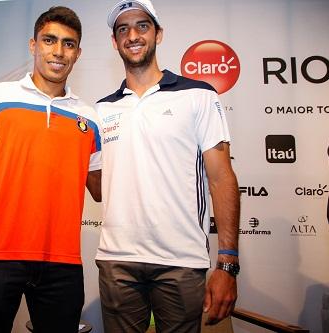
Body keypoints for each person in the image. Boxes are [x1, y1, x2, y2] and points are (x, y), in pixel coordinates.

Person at [0, 6, 101, 333]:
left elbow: (101, 188)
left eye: (68, 44)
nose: (58, 51)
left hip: (62, 264)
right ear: (33, 45)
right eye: (49, 40)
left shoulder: (90, 118)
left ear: (78, 53)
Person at [94, 1, 240, 332]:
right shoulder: (101, 109)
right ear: (114, 42)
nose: (132, 35)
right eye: (122, 29)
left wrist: (227, 264)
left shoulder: (198, 95)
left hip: (181, 262)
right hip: (117, 260)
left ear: (158, 34)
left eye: (142, 26)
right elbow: (98, 185)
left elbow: (221, 178)